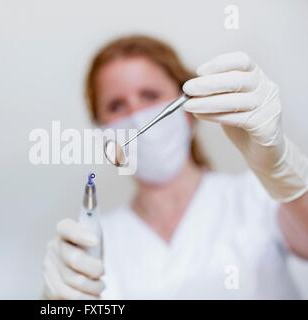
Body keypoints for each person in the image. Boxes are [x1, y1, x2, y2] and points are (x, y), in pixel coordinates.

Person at [42, 35, 308, 299]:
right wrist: (57, 303)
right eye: (116, 105)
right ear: (101, 132)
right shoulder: (97, 241)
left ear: (188, 109)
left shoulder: (257, 195)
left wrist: (285, 173)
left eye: (150, 95)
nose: (135, 116)